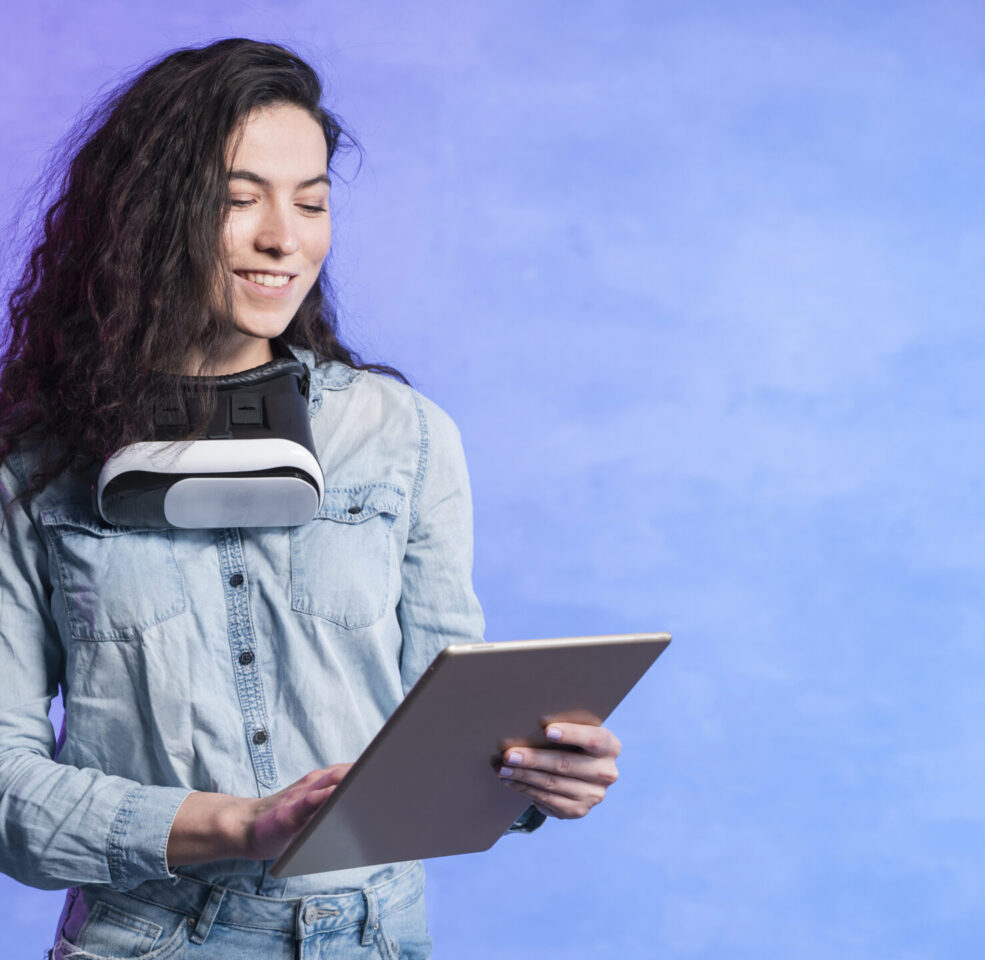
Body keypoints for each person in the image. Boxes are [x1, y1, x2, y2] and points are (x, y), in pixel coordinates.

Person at [0, 38, 622, 959]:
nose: (283, 238)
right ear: (148, 215)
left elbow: (444, 729)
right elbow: (7, 792)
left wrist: (535, 775)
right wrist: (237, 825)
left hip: (376, 935)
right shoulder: (33, 469)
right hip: (150, 936)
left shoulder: (403, 436)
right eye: (240, 198)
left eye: (313, 200)